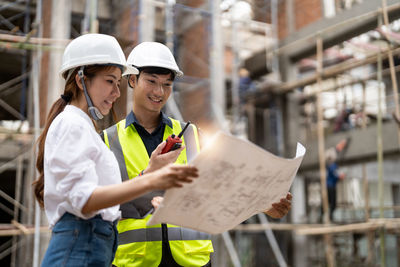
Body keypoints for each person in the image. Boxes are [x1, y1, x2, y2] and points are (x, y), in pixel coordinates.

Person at [102, 41, 292, 267]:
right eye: (151, 81)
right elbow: (102, 206)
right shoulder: (107, 141)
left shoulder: (192, 135)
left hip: (193, 260)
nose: (159, 92)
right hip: (134, 261)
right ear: (132, 80)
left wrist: (262, 204)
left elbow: (220, 187)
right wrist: (147, 180)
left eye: (167, 84)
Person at [32, 34, 199, 267]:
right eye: (110, 81)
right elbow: (84, 201)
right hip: (82, 245)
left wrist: (150, 172)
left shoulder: (83, 126)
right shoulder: (73, 124)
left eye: (117, 83)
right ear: (81, 80)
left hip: (93, 246)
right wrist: (153, 181)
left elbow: (106, 200)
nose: (117, 93)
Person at [325, 138, 348, 221]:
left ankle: (329, 217)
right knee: (331, 203)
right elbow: (335, 174)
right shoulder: (331, 165)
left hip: (331, 186)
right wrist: (340, 176)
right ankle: (329, 217)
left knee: (330, 203)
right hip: (330, 186)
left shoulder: (333, 165)